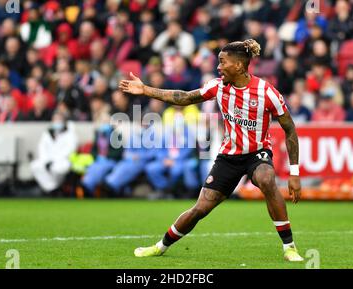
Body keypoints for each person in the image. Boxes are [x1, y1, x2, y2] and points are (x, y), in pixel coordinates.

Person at [119, 39, 304, 262]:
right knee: (201, 208)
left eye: (222, 62)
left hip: (257, 153)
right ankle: (160, 246)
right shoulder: (217, 86)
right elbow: (185, 97)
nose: (218, 67)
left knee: (266, 178)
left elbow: (290, 129)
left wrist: (294, 173)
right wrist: (146, 90)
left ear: (238, 66)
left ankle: (289, 247)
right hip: (228, 156)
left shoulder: (267, 92)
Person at [30, 112, 78, 193]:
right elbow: (42, 148)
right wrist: (47, 160)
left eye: (59, 119)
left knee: (59, 169)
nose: (57, 122)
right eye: (55, 119)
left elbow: (70, 149)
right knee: (35, 166)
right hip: (47, 160)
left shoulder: (70, 134)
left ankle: (54, 189)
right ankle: (52, 189)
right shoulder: (47, 134)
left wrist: (55, 160)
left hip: (62, 160)